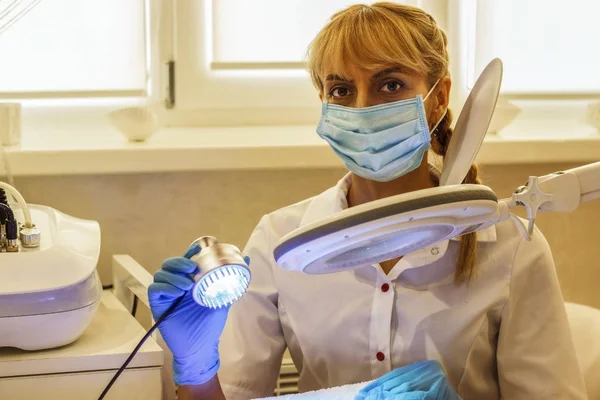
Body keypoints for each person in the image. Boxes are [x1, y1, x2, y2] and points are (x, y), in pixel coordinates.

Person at [148, 3, 588, 399]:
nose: (362, 108)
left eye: (390, 84)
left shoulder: (511, 246)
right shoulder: (283, 242)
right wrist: (196, 368)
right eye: (341, 90)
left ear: (438, 99)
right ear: (323, 102)